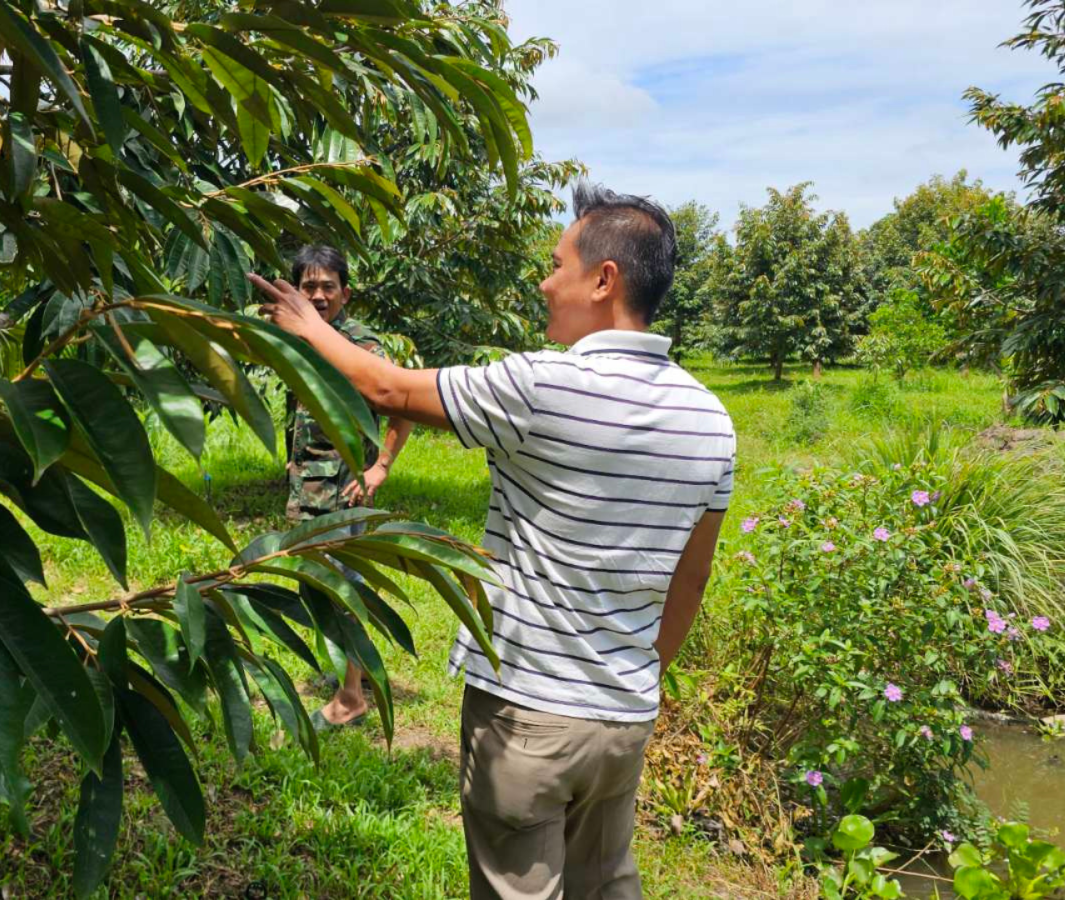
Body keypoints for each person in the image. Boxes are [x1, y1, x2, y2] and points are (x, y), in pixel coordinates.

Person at [249, 183, 734, 900]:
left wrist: (303, 320)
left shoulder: (540, 386)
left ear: (604, 280)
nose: (544, 283)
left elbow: (387, 390)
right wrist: (632, 676)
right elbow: (691, 581)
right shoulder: (711, 418)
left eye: (557, 265)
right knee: (606, 886)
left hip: (529, 714)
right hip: (625, 718)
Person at [280, 244, 415, 729]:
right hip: (309, 490)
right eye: (308, 287)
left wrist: (381, 467)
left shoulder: (359, 346)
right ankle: (350, 671)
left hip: (342, 493)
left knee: (339, 591)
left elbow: (402, 404)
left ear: (346, 293)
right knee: (329, 587)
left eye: (327, 287)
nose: (318, 296)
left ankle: (351, 697)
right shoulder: (297, 340)